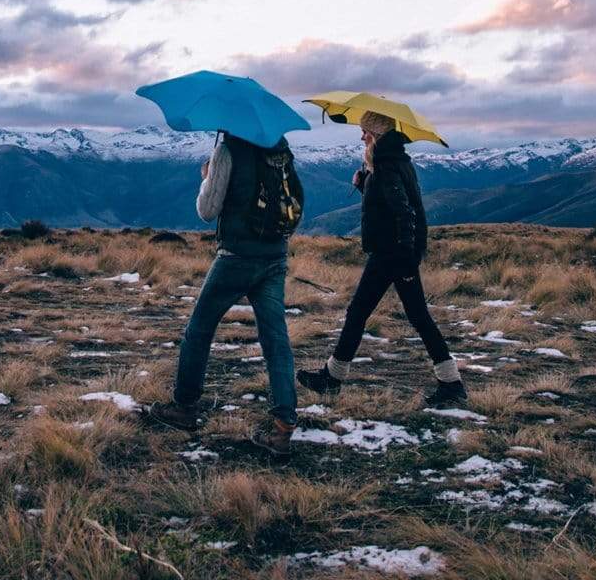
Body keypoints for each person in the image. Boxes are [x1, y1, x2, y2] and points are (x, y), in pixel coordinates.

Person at [148, 131, 303, 456]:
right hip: (274, 255)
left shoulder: (227, 151)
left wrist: (208, 177)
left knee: (199, 331)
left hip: (236, 256)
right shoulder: (281, 150)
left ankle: (185, 408)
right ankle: (283, 427)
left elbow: (208, 210)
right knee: (276, 340)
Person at [297, 111, 466, 405]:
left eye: (365, 131)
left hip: (390, 255)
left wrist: (406, 258)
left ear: (376, 134)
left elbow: (404, 213)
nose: (361, 136)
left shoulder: (387, 165)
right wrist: (365, 184)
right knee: (412, 316)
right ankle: (451, 383)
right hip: (395, 254)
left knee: (361, 313)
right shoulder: (394, 161)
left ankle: (332, 378)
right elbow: (387, 206)